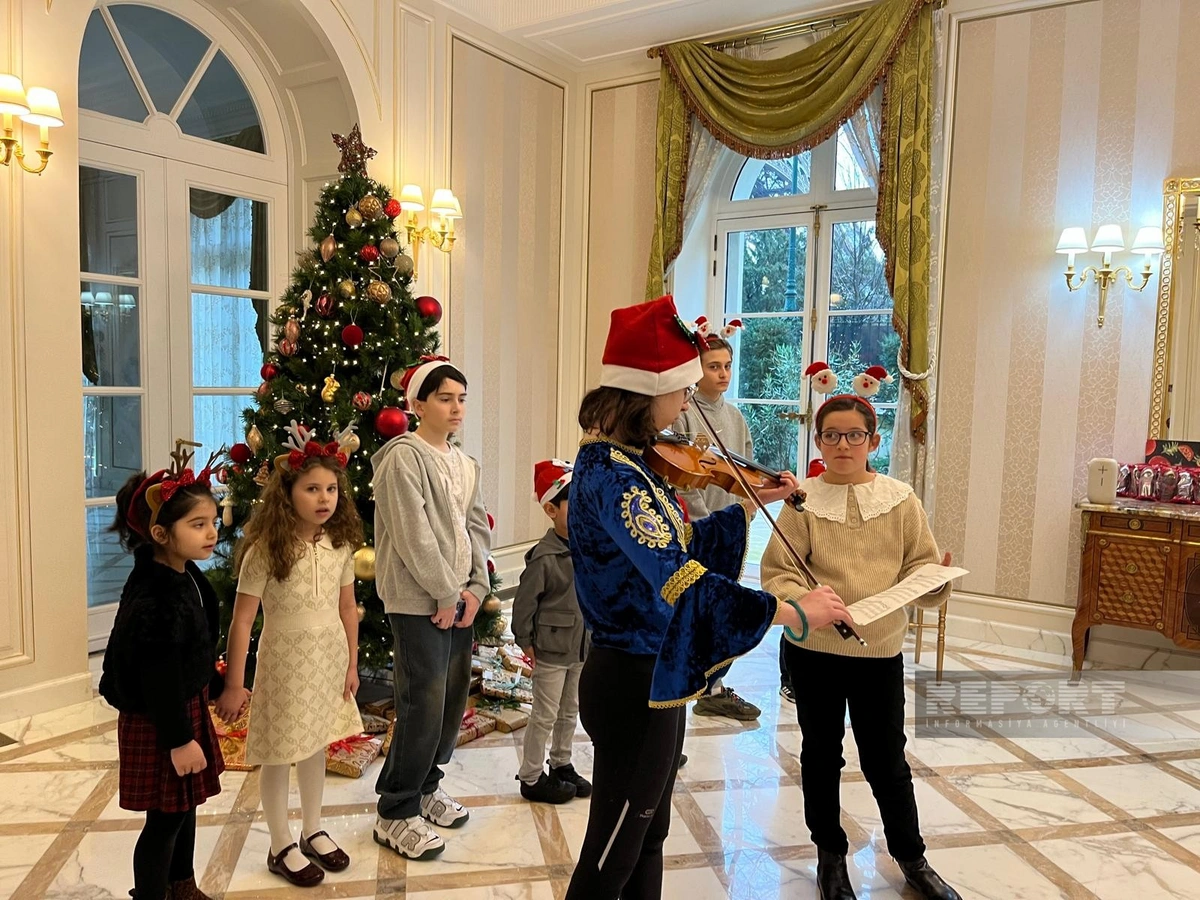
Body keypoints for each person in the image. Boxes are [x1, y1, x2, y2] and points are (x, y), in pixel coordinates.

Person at [565, 295, 850, 900]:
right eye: (681, 389)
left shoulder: (627, 463)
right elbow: (682, 579)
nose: (687, 401)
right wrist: (791, 611)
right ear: (645, 392)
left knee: (649, 833)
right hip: (631, 680)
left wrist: (745, 506)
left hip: (656, 670)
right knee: (612, 852)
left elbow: (679, 541)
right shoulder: (617, 478)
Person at [761, 364, 961, 900]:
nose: (843, 445)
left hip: (879, 650)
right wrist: (810, 604)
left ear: (873, 441)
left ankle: (912, 858)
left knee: (885, 758)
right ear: (818, 442)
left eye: (854, 435)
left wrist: (936, 579)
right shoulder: (801, 501)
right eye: (831, 436)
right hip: (814, 649)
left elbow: (919, 566)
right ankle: (829, 856)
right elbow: (778, 572)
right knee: (820, 755)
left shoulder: (900, 498)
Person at [217, 424, 366, 887]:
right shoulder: (267, 549)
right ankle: (280, 843)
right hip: (285, 661)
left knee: (316, 742)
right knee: (280, 751)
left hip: (328, 658)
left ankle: (312, 828)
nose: (324, 498)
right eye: (312, 489)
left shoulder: (340, 544)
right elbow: (243, 620)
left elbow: (347, 608)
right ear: (287, 494)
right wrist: (235, 683)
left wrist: (352, 663)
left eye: (331, 489)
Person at [371, 356, 491, 860]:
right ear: (418, 404)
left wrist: (475, 588)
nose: (456, 407)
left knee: (452, 698)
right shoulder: (403, 457)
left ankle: (426, 786)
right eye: (445, 398)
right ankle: (395, 810)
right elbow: (412, 534)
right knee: (422, 700)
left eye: (461, 399)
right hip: (418, 598)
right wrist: (444, 592)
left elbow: (477, 528)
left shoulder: (465, 463)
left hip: (459, 598)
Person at [99, 445, 228, 900]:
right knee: (165, 820)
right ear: (160, 533)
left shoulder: (181, 572)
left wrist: (214, 685)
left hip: (180, 706)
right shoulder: (155, 597)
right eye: (198, 524)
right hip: (161, 719)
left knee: (184, 806)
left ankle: (181, 886)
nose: (212, 532)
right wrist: (179, 740)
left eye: (213, 521)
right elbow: (157, 676)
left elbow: (189, 651)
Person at [670, 327, 759, 721]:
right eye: (713, 366)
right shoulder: (684, 413)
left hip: (729, 528)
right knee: (697, 608)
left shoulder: (735, 416)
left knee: (724, 608)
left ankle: (714, 686)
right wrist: (709, 524)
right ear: (696, 369)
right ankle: (692, 682)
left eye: (727, 366)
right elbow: (682, 480)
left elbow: (744, 472)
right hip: (700, 530)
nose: (723, 374)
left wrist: (743, 512)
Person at [511, 459, 591, 804]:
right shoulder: (543, 558)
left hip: (581, 647)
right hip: (551, 650)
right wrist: (524, 640)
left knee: (570, 710)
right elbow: (524, 605)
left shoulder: (589, 550)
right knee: (545, 714)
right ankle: (531, 777)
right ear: (551, 509)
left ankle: (561, 764)